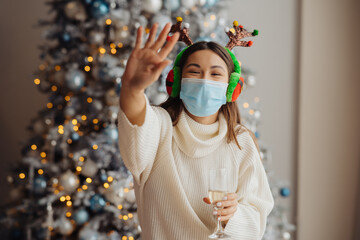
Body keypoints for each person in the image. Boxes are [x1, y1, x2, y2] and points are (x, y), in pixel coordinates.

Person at [118, 21, 274, 240]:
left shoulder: (241, 141)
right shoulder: (160, 127)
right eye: (195, 72)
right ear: (178, 81)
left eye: (215, 74)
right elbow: (136, 122)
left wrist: (234, 215)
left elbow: (256, 222)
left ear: (231, 89)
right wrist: (132, 89)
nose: (204, 81)